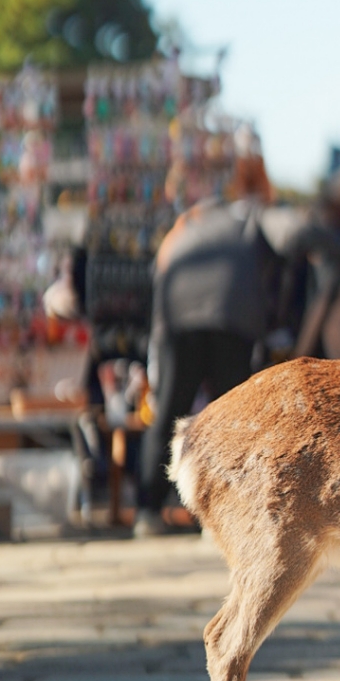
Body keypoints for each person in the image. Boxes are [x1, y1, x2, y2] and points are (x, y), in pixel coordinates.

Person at [135, 140, 281, 537]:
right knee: (230, 414)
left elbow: (158, 276)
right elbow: (278, 262)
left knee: (169, 411)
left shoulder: (185, 227)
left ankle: (147, 510)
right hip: (230, 317)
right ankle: (231, 512)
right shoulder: (248, 220)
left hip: (178, 319)